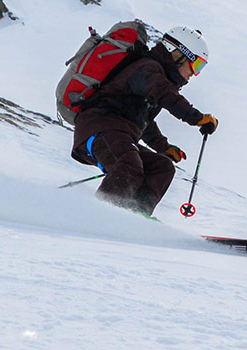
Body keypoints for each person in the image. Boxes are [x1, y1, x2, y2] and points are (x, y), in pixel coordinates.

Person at [71, 26, 219, 216]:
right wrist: (198, 118)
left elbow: (145, 122)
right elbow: (166, 94)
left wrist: (163, 147)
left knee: (162, 167)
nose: (194, 73)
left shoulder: (154, 75)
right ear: (179, 54)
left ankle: (137, 215)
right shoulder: (147, 69)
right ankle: (98, 216)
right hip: (100, 128)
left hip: (116, 134)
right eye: (196, 65)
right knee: (129, 166)